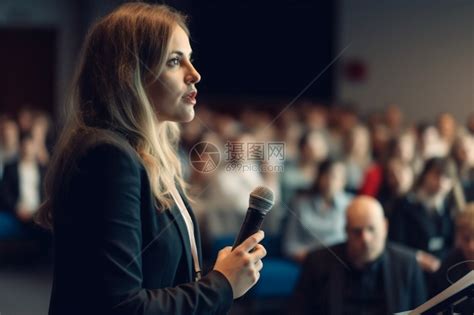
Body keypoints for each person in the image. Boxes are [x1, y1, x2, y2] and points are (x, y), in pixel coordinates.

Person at [36, 3, 266, 314]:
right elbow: (122, 306)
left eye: (190, 59)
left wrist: (219, 273)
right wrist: (222, 284)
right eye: (174, 61)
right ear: (129, 74)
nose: (195, 74)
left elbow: (160, 277)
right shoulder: (109, 157)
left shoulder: (151, 156)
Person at [289, 196, 427, 315]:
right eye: (357, 231)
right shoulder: (317, 262)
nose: (365, 238)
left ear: (385, 227)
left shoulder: (407, 264)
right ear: (346, 231)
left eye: (371, 229)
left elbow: (422, 312)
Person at [282, 159, 352, 262]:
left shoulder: (350, 205)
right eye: (326, 175)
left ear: (343, 181)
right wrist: (313, 258)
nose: (330, 181)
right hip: (306, 260)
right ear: (319, 177)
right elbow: (290, 244)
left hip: (338, 262)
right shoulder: (299, 203)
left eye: (335, 177)